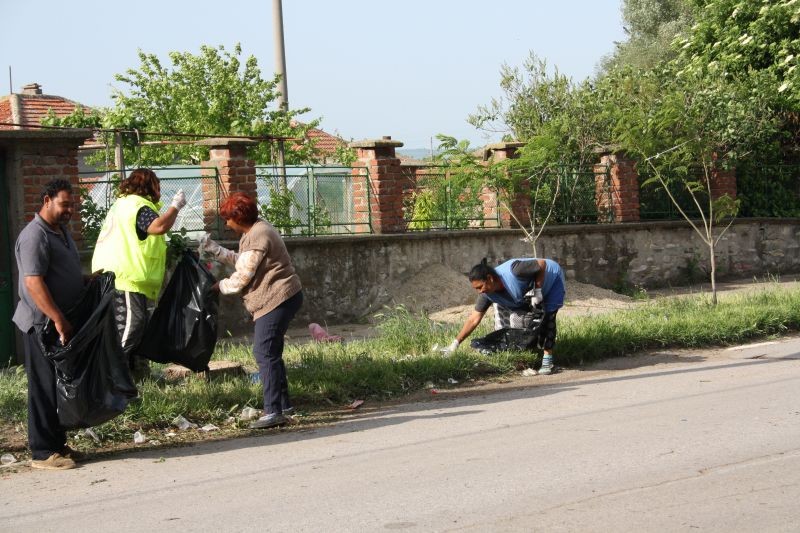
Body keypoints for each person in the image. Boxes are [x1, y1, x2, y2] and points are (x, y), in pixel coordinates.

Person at [199, 192, 303, 429]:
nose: (227, 224)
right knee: (271, 352)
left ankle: (273, 411)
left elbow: (242, 277)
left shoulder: (258, 235)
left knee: (263, 352)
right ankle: (283, 405)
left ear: (238, 218)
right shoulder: (255, 231)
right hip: (283, 296)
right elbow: (243, 260)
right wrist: (214, 249)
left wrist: (218, 286)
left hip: (277, 297)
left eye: (228, 219)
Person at [12, 179, 87, 469]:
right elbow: (33, 282)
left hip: (58, 323)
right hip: (41, 324)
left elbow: (59, 273)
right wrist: (58, 319)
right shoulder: (34, 235)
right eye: (64, 204)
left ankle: (57, 444)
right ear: (47, 201)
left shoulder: (60, 231)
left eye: (72, 205)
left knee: (58, 386)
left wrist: (85, 281)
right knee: (43, 387)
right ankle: (42, 452)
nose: (70, 210)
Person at [91, 168, 186, 379]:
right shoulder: (138, 206)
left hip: (119, 275)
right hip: (125, 277)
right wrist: (175, 207)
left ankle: (134, 376)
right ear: (149, 186)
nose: (159, 191)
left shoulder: (122, 205)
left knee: (137, 327)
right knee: (132, 325)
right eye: (157, 186)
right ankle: (109, 376)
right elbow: (158, 227)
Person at [442, 257, 566, 374]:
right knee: (530, 323)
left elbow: (541, 264)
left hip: (551, 278)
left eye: (480, 287)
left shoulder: (516, 270)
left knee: (548, 317)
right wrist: (455, 344)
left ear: (490, 278)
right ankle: (534, 354)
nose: (480, 291)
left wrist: (538, 290)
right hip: (528, 290)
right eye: (476, 289)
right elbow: (473, 319)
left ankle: (548, 360)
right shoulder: (486, 295)